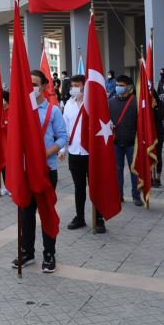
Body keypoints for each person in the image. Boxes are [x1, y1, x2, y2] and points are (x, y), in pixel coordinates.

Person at [13, 70, 67, 274]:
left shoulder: (53, 111)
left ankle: (49, 254)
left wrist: (44, 154)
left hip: (46, 170)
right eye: (29, 84)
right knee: (26, 213)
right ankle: (27, 252)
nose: (32, 87)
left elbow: (62, 138)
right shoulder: (22, 110)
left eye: (35, 84)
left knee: (46, 211)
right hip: (26, 171)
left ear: (44, 86)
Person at [60, 75, 106, 233]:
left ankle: (98, 217)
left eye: (76, 85)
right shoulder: (68, 105)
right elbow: (64, 128)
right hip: (74, 151)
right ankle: (80, 217)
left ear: (84, 86)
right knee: (79, 187)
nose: (73, 88)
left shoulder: (92, 103)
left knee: (96, 186)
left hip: (91, 152)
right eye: (71, 85)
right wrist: (62, 149)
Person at [109, 75, 142, 206]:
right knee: (117, 170)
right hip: (115, 142)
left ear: (128, 87)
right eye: (117, 85)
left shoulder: (136, 102)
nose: (118, 88)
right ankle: (119, 195)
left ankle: (136, 195)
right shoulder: (110, 102)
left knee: (135, 170)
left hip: (132, 143)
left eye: (121, 85)